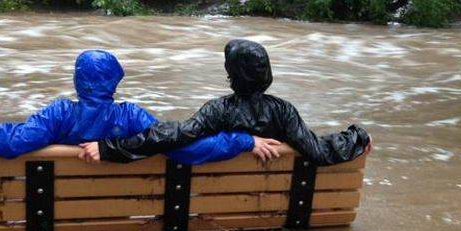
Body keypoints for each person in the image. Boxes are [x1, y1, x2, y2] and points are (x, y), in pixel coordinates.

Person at [0, 49, 283, 163]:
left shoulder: (59, 114)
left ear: (77, 80)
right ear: (115, 83)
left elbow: (10, 143)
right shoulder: (130, 116)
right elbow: (186, 148)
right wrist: (244, 140)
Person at [79, 39, 370, 166]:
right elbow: (317, 151)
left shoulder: (219, 110)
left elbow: (174, 138)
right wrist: (357, 137)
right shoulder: (283, 111)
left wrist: (109, 148)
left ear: (232, 74)